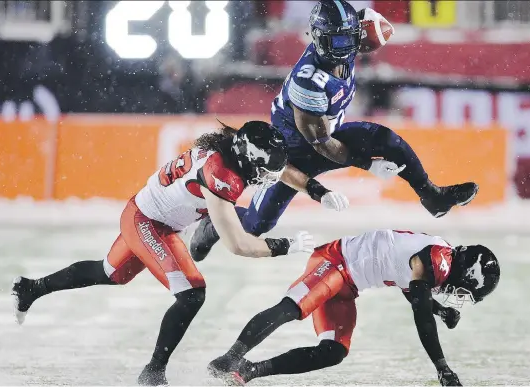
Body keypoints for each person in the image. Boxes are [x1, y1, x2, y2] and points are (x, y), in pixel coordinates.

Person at [11, 121, 337, 386]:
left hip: (147, 213)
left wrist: (314, 190)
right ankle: (153, 373)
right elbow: (238, 244)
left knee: (110, 274)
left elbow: (276, 169)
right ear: (248, 158)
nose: (267, 178)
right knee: (193, 293)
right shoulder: (221, 175)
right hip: (149, 222)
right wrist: (285, 245)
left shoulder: (231, 144)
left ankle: (32, 288)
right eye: (263, 170)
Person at [189, 0, 479, 262]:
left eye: (349, 38)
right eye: (337, 39)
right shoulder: (309, 81)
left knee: (387, 140)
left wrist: (371, 25)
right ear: (318, 38)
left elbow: (374, 28)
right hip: (292, 153)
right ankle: (215, 222)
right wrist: (367, 164)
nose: (343, 47)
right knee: (257, 225)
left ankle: (432, 196)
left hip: (329, 135)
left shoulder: (350, 38)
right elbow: (322, 144)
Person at [208, 229, 500, 386]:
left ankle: (248, 370)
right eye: (465, 289)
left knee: (333, 352)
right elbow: (420, 316)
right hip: (335, 262)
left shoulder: (439, 257)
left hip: (349, 286)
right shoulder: (438, 260)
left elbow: (411, 289)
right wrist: (442, 368)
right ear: (467, 273)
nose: (458, 294)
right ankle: (229, 358)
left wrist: (438, 309)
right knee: (293, 309)